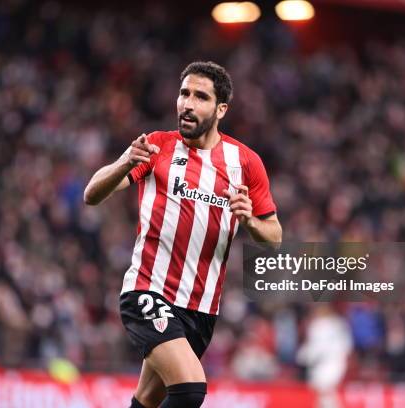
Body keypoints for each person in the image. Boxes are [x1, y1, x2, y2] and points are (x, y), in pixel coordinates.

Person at [84, 61, 282, 408]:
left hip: (201, 308)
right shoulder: (157, 147)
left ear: (221, 109)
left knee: (146, 400)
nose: (187, 104)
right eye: (184, 94)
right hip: (148, 291)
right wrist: (126, 162)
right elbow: (92, 195)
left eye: (200, 97)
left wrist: (249, 220)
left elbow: (274, 237)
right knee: (190, 389)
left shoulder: (246, 163)